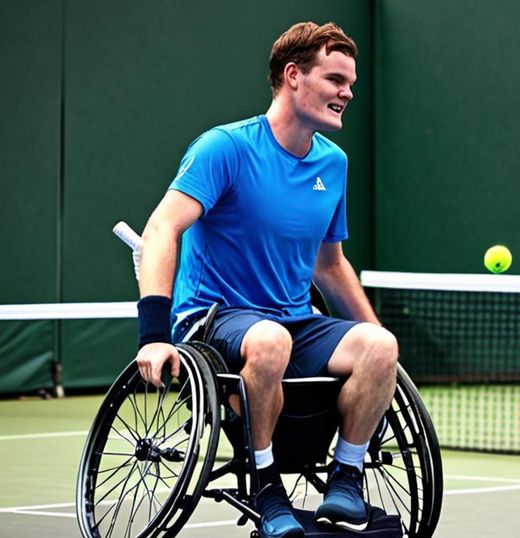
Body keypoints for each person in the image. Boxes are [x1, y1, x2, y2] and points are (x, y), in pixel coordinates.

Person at [132, 21, 396, 538]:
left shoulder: (333, 164)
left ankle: (345, 478)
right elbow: (163, 228)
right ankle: (265, 482)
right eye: (336, 79)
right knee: (270, 340)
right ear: (294, 76)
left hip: (293, 321)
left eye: (351, 84)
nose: (347, 93)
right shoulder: (223, 148)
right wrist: (153, 335)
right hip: (213, 321)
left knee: (378, 346)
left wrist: (384, 347)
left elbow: (329, 264)